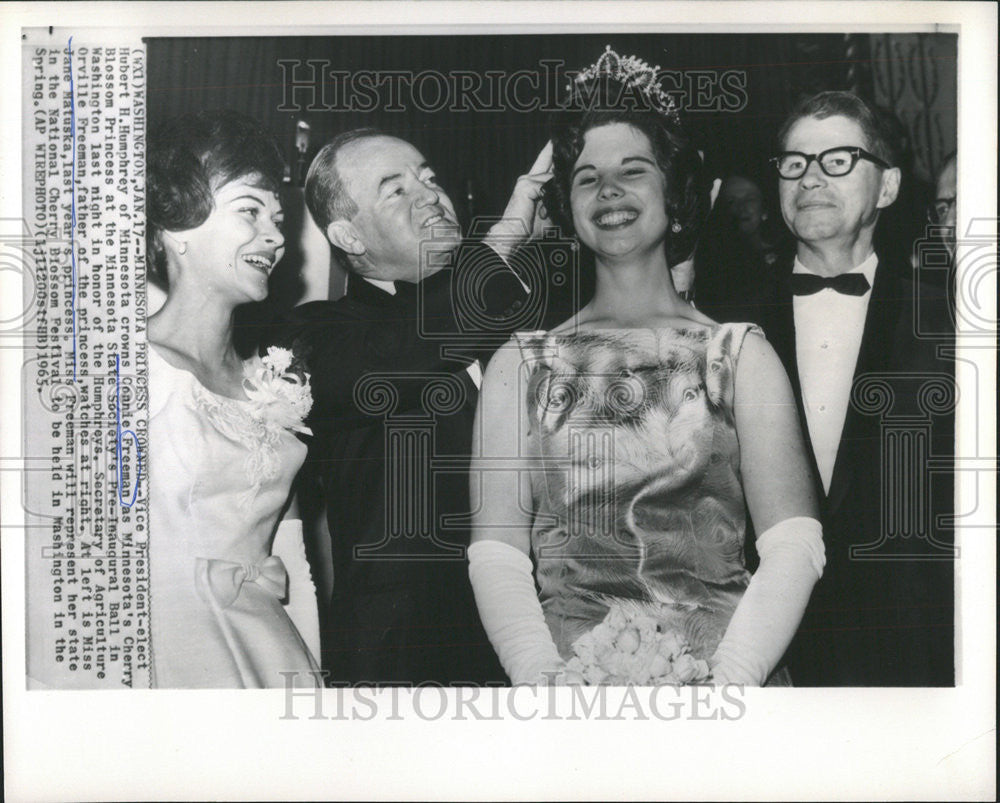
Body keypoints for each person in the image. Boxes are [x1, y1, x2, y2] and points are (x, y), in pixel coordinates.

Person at [467, 48, 825, 687]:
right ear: (567, 207)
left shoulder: (741, 356)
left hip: (725, 693)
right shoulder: (518, 367)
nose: (609, 191)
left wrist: (726, 685)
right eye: (586, 177)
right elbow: (497, 554)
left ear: (675, 194)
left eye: (633, 171)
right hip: (566, 695)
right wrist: (543, 680)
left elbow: (794, 544)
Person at [269, 128, 556, 684]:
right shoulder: (314, 337)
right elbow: (412, 350)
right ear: (348, 234)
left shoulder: (510, 311)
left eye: (428, 177)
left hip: (547, 633)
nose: (429, 193)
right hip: (412, 660)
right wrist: (506, 234)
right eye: (395, 189)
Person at [764, 91, 955, 686]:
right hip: (766, 655)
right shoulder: (724, 321)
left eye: (839, 159)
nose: (811, 178)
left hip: (912, 652)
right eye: (795, 163)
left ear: (889, 186)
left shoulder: (950, 320)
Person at [147, 110, 321, 688]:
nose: (275, 236)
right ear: (176, 226)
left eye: (277, 218)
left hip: (273, 657)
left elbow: (290, 563)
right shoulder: (123, 373)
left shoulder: (271, 385)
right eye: (248, 211)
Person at [695, 173, 786, 327]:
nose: (741, 207)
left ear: (765, 207)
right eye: (731, 201)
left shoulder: (788, 254)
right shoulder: (714, 267)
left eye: (749, 199)